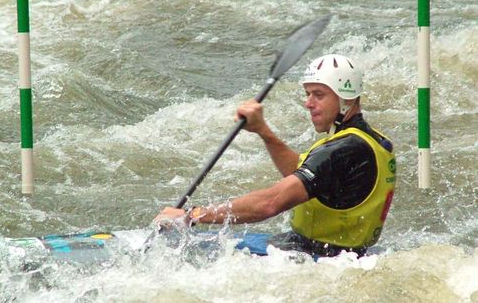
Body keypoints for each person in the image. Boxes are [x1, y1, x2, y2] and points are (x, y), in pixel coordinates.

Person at [155, 54, 397, 257]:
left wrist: (192, 216)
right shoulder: (365, 140)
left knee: (194, 252)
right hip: (335, 254)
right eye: (307, 93)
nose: (308, 103)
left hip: (318, 261)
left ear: (346, 98)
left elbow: (270, 203)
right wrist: (264, 131)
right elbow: (300, 175)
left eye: (319, 95)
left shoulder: (343, 150)